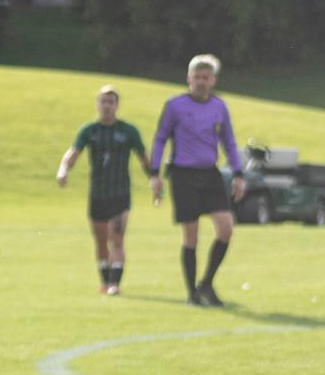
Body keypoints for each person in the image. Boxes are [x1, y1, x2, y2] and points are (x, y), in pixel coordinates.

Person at [149, 54, 246, 306]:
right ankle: (192, 292)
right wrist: (154, 173)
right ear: (189, 78)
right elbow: (161, 139)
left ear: (213, 80)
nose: (201, 82)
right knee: (191, 236)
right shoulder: (175, 106)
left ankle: (207, 283)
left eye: (206, 77)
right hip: (183, 175)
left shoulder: (219, 107)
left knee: (225, 228)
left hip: (210, 173)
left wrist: (238, 173)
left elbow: (229, 141)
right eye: (197, 77)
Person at [57, 86, 150, 293]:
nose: (107, 106)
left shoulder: (128, 131)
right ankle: (105, 280)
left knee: (116, 238)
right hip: (98, 194)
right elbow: (73, 153)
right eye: (103, 101)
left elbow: (144, 157)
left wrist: (154, 179)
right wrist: (63, 170)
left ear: (117, 106)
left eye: (111, 102)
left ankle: (115, 284)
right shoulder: (89, 130)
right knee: (100, 240)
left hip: (120, 193)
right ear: (97, 104)